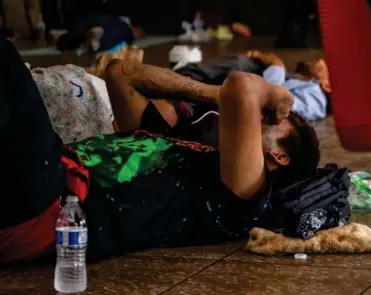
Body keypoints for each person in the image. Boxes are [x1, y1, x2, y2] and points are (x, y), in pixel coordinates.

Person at [0, 37, 321, 264]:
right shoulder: (181, 150)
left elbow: (242, 86)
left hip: (51, 207)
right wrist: (213, 93)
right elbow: (121, 74)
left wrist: (272, 94)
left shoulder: (249, 195)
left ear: (280, 155)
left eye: (281, 120)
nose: (268, 114)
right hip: (46, 176)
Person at [175, 50, 331, 122]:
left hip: (252, 105)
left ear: (328, 86)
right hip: (255, 89)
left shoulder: (315, 102)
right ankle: (186, 78)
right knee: (248, 63)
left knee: (242, 64)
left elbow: (277, 103)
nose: (320, 61)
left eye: (327, 66)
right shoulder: (309, 84)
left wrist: (277, 66)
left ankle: (184, 81)